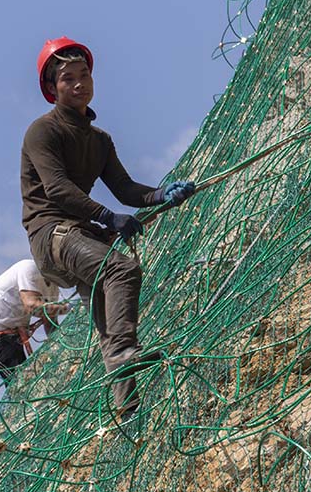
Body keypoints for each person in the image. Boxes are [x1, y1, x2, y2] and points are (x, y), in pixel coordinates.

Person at [20, 36, 197, 419]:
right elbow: (58, 190)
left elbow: (126, 188)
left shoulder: (99, 140)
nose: (80, 83)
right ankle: (123, 353)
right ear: (52, 89)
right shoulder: (43, 132)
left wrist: (162, 194)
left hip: (79, 233)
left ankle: (126, 405)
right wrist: (107, 217)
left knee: (104, 307)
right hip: (53, 234)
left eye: (84, 75)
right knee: (120, 269)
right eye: (68, 78)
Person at [0, 258, 69, 381]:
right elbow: (32, 306)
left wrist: (61, 346)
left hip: (14, 335)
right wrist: (68, 308)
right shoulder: (29, 268)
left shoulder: (53, 288)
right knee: (19, 383)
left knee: (28, 380)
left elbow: (49, 320)